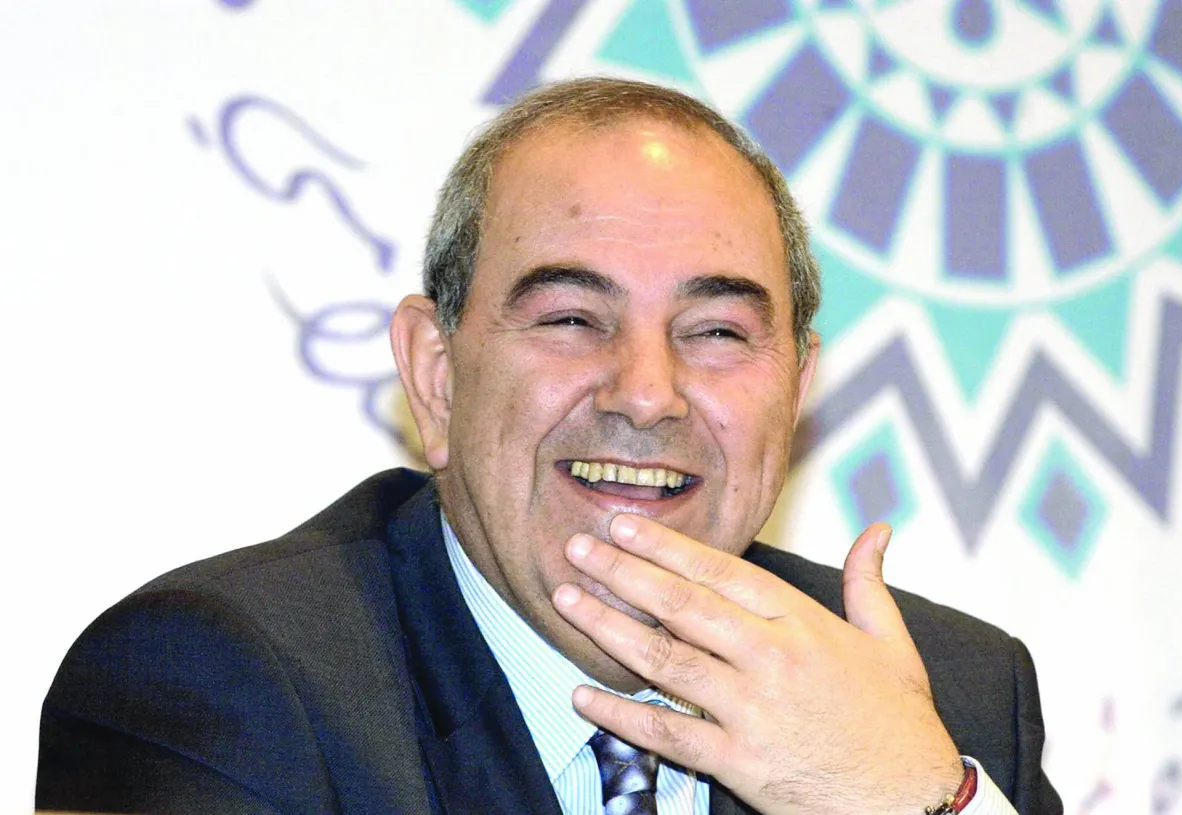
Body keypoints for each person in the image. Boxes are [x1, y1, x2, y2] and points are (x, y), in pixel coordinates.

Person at [37, 78, 1062, 815]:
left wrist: (920, 802)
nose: (648, 393)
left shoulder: (941, 701)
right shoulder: (224, 685)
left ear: (795, 389)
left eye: (716, 331)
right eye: (571, 318)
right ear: (437, 375)